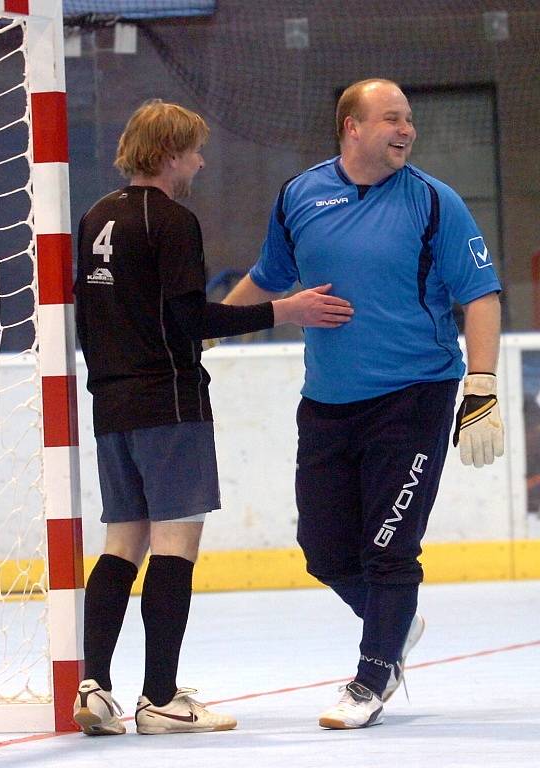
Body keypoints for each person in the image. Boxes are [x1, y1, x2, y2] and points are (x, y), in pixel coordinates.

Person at [224, 78, 504, 729]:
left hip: (413, 398)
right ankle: (396, 621)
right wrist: (202, 329)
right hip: (326, 403)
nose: (406, 130)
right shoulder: (299, 195)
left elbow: (481, 295)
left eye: (409, 120)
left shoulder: (436, 202)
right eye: (391, 119)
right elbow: (269, 277)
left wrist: (482, 387)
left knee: (389, 548)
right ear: (352, 126)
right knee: (322, 549)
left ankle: (372, 675)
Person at [71, 100, 352, 737]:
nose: (200, 161)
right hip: (169, 404)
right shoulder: (172, 221)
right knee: (175, 545)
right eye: (193, 151)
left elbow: (91, 320)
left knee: (122, 543)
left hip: (111, 405)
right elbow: (189, 320)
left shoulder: (94, 218)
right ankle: (162, 697)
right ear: (169, 154)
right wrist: (285, 311)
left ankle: (94, 684)